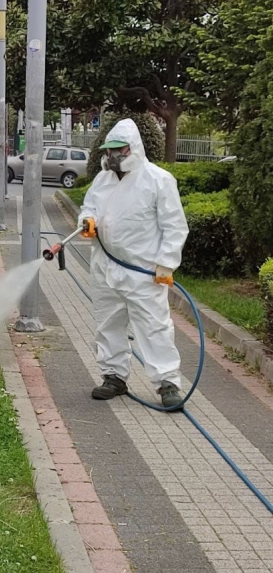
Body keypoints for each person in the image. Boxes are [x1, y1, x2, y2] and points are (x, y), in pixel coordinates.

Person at [78, 118, 189, 409]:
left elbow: (174, 226)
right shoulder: (103, 180)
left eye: (119, 149)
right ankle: (114, 376)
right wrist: (87, 221)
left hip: (144, 272)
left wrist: (166, 264)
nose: (113, 156)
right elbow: (89, 206)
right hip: (105, 266)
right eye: (110, 150)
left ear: (134, 148)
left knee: (154, 326)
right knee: (108, 323)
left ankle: (167, 382)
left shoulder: (158, 180)